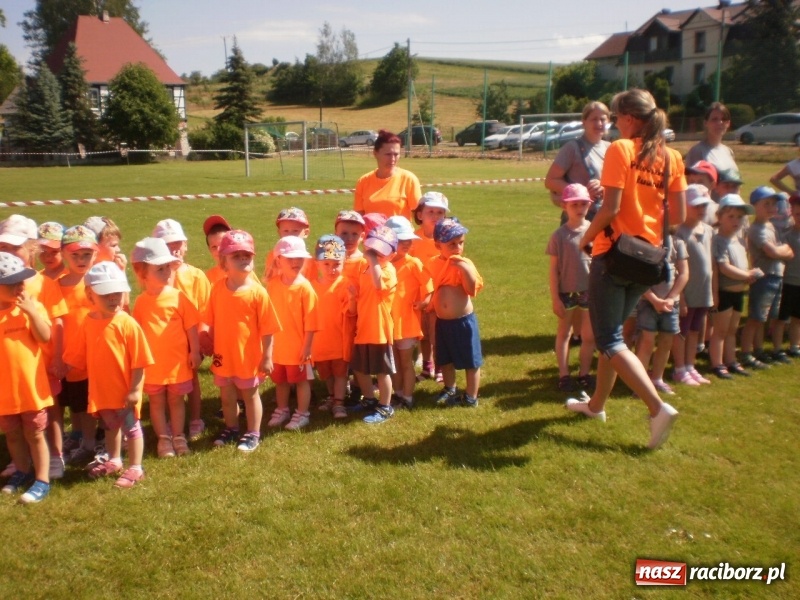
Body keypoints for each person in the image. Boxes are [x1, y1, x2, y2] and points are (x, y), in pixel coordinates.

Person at [567, 88, 686, 450]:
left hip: (614, 254)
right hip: (648, 259)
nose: (615, 124)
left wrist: (584, 238)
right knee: (614, 334)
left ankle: (656, 408)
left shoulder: (621, 149)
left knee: (609, 339)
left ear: (630, 119)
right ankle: (596, 406)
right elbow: (678, 217)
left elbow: (610, 209)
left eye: (617, 118)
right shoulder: (673, 158)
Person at [64, 261, 153, 489]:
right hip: (101, 390)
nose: (114, 299)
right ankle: (114, 460)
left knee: (131, 429)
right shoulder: (88, 322)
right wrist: (63, 368)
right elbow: (78, 353)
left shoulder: (127, 323)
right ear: (90, 294)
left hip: (125, 391)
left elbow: (141, 361)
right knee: (110, 426)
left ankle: (136, 466)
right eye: (107, 295)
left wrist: (135, 390)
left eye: (118, 293)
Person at [203, 230, 280, 452]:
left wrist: (267, 356)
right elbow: (211, 319)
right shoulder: (217, 289)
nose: (243, 259)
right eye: (236, 255)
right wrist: (208, 338)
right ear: (223, 262)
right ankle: (231, 427)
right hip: (223, 355)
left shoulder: (258, 293)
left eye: (247, 255)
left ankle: (253, 432)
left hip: (248, 357)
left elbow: (268, 329)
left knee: (249, 395)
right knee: (227, 397)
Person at [131, 237, 201, 458]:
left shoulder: (179, 297)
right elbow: (138, 332)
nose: (167, 273)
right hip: (153, 366)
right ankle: (163, 439)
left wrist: (195, 351)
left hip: (178, 363)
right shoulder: (141, 302)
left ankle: (178, 436)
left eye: (168, 268)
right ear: (143, 274)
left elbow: (191, 326)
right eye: (159, 269)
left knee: (176, 400)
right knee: (157, 402)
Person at [0, 252, 54, 504]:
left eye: (22, 282)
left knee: (34, 434)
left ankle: (42, 480)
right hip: (4, 392)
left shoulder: (31, 307)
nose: (20, 287)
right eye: (13, 284)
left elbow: (45, 337)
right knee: (12, 435)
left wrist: (32, 312)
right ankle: (21, 471)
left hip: (31, 389)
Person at [152, 218, 211, 442]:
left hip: (191, 339)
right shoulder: (156, 276)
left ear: (186, 245)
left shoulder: (196, 275)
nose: (174, 249)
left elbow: (205, 310)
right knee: (166, 382)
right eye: (167, 245)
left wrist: (201, 339)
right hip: (165, 341)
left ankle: (195, 418)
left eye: (177, 243)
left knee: (192, 379)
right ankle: (169, 420)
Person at [54, 225, 101, 465]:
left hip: (98, 353)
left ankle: (101, 441)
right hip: (72, 358)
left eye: (87, 254)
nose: (82, 260)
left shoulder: (100, 281)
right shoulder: (58, 286)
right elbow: (57, 323)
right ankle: (86, 441)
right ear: (64, 254)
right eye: (75, 255)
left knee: (100, 400)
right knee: (80, 404)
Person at [427, 217, 483, 407]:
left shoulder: (465, 263)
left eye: (461, 243)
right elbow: (429, 286)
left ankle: (471, 396)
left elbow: (471, 289)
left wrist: (464, 270)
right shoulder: (433, 263)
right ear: (437, 246)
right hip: (443, 322)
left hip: (462, 322)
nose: (457, 248)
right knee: (445, 358)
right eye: (451, 244)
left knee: (470, 360)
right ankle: (449, 388)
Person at [265, 236, 319, 431]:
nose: (296, 263)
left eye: (300, 258)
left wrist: (307, 347)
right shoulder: (273, 285)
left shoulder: (305, 288)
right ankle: (282, 409)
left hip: (298, 348)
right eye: (290, 258)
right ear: (278, 260)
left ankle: (303, 412)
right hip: (278, 347)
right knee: (280, 380)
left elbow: (312, 323)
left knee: (301, 381)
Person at [546, 183, 595, 393]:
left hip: (589, 292)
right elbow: (553, 270)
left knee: (589, 336)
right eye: (574, 204)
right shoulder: (559, 236)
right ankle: (564, 375)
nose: (579, 208)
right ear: (565, 206)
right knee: (564, 333)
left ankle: (584, 373)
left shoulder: (595, 230)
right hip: (566, 292)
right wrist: (556, 298)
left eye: (583, 204)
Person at [739, 186, 795, 368]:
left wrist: (783, 251)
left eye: (774, 204)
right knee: (756, 318)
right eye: (766, 204)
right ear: (755, 206)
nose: (772, 207)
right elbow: (772, 251)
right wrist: (783, 251)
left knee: (765, 317)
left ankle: (759, 349)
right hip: (765, 277)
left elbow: (785, 249)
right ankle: (746, 353)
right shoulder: (757, 228)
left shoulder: (770, 226)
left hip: (776, 276)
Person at [708, 194, 762, 378]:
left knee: (732, 330)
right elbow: (724, 267)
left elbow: (742, 262)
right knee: (720, 331)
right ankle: (717, 364)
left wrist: (750, 274)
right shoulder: (718, 240)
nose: (736, 221)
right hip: (725, 292)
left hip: (740, 291)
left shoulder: (739, 239)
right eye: (731, 216)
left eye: (739, 217)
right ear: (720, 217)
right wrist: (747, 275)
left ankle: (731, 361)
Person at [350, 225, 398, 423]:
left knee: (382, 371)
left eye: (382, 252)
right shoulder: (366, 268)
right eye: (374, 250)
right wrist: (353, 296)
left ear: (392, 255)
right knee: (360, 369)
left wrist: (372, 259)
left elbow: (379, 285)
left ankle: (385, 406)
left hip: (379, 330)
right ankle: (369, 399)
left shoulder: (388, 270)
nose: (377, 254)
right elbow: (364, 296)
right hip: (364, 328)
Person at [386, 216, 433, 409]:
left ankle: (408, 397)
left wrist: (424, 302)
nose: (406, 243)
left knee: (405, 362)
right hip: (388, 323)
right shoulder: (385, 264)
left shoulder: (413, 263)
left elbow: (428, 286)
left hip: (407, 323)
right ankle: (397, 394)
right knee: (393, 363)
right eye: (400, 240)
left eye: (408, 240)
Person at [672, 184, 715, 386]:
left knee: (695, 331)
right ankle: (679, 368)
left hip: (703, 292)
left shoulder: (707, 229)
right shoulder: (679, 232)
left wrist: (713, 292)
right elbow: (675, 268)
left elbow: (711, 264)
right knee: (682, 332)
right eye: (696, 205)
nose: (701, 209)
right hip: (686, 294)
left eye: (704, 205)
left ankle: (690, 365)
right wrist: (680, 298)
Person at [635, 233, 689, 395]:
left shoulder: (677, 242)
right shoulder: (643, 242)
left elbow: (684, 273)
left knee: (666, 341)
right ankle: (640, 383)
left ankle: (657, 379)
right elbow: (637, 276)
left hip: (671, 303)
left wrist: (671, 298)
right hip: (648, 302)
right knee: (646, 342)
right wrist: (654, 300)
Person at [545, 101, 611, 222]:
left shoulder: (611, 148)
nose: (599, 123)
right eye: (594, 119)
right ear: (584, 122)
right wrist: (581, 193)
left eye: (602, 119)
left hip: (604, 217)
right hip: (577, 220)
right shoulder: (572, 148)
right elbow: (550, 181)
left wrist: (603, 185)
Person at [311, 235, 354, 419]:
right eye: (326, 264)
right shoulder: (312, 286)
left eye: (336, 263)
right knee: (326, 374)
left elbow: (351, 312)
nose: (331, 269)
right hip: (320, 342)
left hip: (339, 340)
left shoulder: (345, 284)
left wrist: (352, 298)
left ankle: (339, 402)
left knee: (340, 373)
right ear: (317, 263)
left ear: (344, 261)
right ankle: (331, 396)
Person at [410, 191, 449, 381]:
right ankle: (427, 368)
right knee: (423, 336)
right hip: (418, 296)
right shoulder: (412, 239)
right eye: (430, 212)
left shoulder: (445, 240)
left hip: (439, 296)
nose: (435, 216)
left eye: (440, 213)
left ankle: (440, 368)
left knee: (437, 336)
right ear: (420, 215)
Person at [354, 129, 422, 220]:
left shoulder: (409, 179)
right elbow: (359, 217)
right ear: (375, 153)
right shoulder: (363, 181)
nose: (393, 159)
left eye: (396, 154)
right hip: (371, 234)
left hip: (400, 234)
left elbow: (421, 216)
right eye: (388, 154)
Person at [772, 193, 800, 357]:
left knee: (797, 318)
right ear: (792, 213)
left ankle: (795, 345)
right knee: (781, 318)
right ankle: (777, 347)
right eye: (797, 214)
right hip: (788, 282)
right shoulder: (787, 235)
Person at [684, 102, 739, 176]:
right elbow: (691, 182)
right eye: (714, 119)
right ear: (706, 123)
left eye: (724, 119)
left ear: (728, 123)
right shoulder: (697, 151)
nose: (720, 122)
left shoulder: (729, 151)